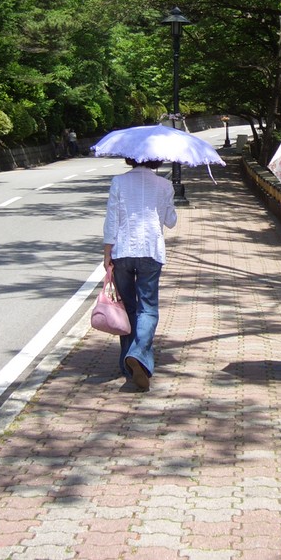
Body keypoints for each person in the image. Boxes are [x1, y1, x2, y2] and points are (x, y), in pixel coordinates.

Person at [103, 158, 177, 391]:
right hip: (151, 252)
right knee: (148, 307)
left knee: (128, 308)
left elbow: (111, 220)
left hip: (122, 250)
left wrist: (107, 253)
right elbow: (171, 222)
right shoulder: (164, 185)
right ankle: (139, 354)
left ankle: (128, 362)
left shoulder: (119, 182)